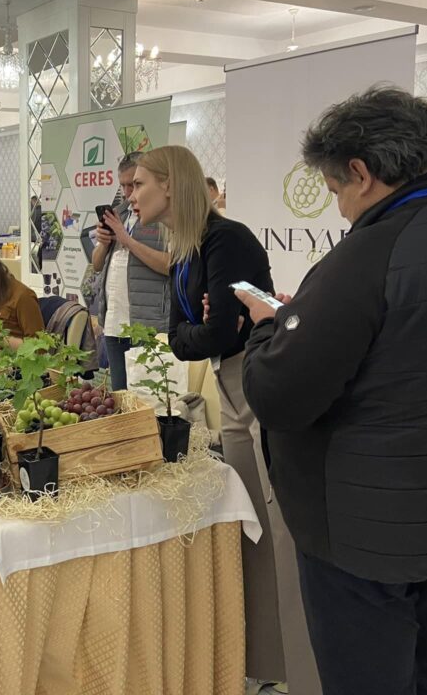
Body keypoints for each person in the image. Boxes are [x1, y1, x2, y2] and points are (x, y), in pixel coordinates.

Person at [239, 87, 427, 695]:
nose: (342, 210)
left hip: (364, 535)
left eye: (336, 191)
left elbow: (279, 397)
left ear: (362, 173)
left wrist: (269, 329)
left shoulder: (367, 257)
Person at [129, 145, 320, 694]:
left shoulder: (226, 240)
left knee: (279, 531)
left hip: (256, 384)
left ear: (170, 184)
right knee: (252, 528)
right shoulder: (185, 248)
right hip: (229, 384)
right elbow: (181, 337)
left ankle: (308, 674)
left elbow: (214, 334)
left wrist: (207, 331)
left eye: (138, 184)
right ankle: (268, 665)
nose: (131, 195)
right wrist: (206, 330)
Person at [92, 151, 170, 389]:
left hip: (147, 323)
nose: (128, 192)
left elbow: (171, 265)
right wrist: (104, 243)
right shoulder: (119, 213)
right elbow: (96, 265)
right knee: (120, 394)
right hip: (114, 321)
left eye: (135, 184)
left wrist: (126, 240)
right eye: (124, 185)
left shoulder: (163, 218)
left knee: (146, 395)